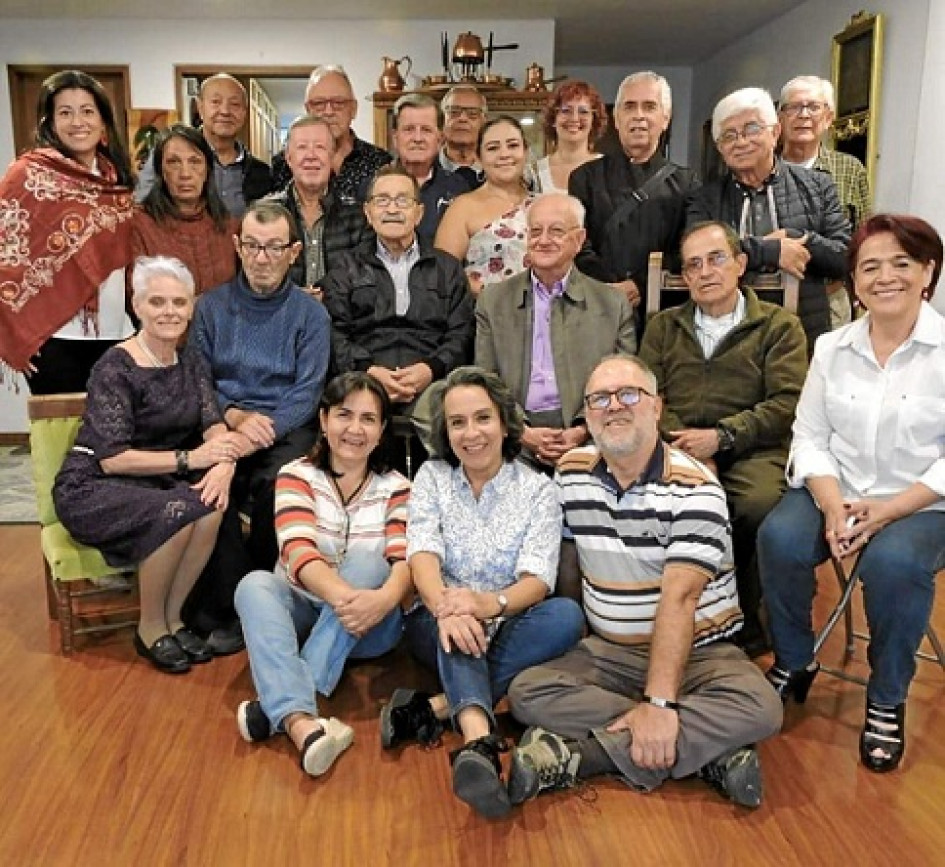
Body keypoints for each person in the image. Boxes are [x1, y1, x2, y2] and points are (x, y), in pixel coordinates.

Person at [506, 354, 783, 810]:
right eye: (599, 399)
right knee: (526, 692)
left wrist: (658, 702)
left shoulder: (696, 489)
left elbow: (681, 598)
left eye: (629, 394)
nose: (614, 406)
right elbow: (569, 560)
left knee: (761, 707)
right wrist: (578, 636)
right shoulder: (571, 473)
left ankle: (584, 756)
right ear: (586, 415)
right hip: (610, 652)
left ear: (657, 407)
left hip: (699, 653)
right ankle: (708, 755)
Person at [758, 214, 945, 774]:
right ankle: (795, 659)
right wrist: (832, 503)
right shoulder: (832, 348)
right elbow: (809, 436)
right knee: (779, 537)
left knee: (892, 563)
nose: (885, 277)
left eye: (901, 263)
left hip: (923, 503)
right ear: (854, 282)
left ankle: (886, 696)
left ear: (928, 272)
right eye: (870, 267)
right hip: (838, 490)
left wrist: (887, 511)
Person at [378, 367, 585, 818]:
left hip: (508, 619)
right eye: (457, 422)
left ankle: (436, 708)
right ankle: (478, 741)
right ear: (445, 432)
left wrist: (486, 605)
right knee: (458, 632)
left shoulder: (538, 490)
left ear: (505, 424)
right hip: (436, 620)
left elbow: (537, 580)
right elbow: (422, 553)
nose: (471, 433)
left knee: (566, 616)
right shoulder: (432, 476)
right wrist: (448, 608)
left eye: (482, 418)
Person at [53, 256, 242, 674]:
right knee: (174, 513)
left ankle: (174, 619)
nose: (169, 311)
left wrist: (224, 464)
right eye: (157, 302)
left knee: (211, 508)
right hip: (94, 483)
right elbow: (112, 458)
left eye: (179, 302)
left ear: (191, 307)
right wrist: (193, 459)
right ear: (137, 306)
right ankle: (149, 627)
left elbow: (213, 422)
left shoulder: (190, 361)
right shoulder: (115, 366)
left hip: (155, 480)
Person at [639, 221, 808, 655]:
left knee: (755, 505)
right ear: (684, 276)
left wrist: (722, 438)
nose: (705, 272)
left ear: (740, 263)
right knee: (647, 498)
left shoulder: (779, 326)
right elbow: (649, 394)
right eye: (693, 265)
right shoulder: (663, 326)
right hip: (676, 445)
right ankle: (660, 619)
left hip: (755, 447)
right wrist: (686, 446)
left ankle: (743, 624)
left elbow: (787, 403)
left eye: (715, 259)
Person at [234, 372, 411, 778]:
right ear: (324, 420)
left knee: (369, 563)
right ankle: (303, 725)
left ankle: (279, 705)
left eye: (368, 419)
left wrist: (383, 600)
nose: (355, 429)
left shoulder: (399, 487)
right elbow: (298, 553)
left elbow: (404, 562)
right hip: (304, 611)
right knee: (253, 585)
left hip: (369, 624)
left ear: (382, 429)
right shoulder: (296, 474)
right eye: (344, 415)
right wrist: (345, 598)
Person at [186, 200, 331, 654]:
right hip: (222, 422)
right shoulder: (210, 308)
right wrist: (232, 418)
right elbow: (198, 379)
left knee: (281, 485)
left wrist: (253, 435)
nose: (261, 258)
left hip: (284, 426)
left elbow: (307, 393)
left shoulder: (311, 315)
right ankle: (225, 610)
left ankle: (268, 600)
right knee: (212, 489)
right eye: (252, 246)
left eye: (273, 248)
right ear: (237, 246)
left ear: (293, 252)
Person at [475, 192, 636, 470]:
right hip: (512, 435)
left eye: (557, 231)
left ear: (579, 239)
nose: (544, 240)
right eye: (535, 231)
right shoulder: (493, 301)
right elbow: (486, 378)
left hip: (593, 435)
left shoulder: (612, 304)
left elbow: (623, 381)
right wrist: (520, 430)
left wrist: (583, 429)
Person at [0, 69, 135, 392]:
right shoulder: (27, 175)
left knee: (115, 422)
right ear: (49, 122)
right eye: (65, 112)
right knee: (61, 425)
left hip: (116, 331)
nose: (78, 122)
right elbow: (6, 253)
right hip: (54, 337)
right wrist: (15, 333)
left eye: (87, 111)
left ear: (103, 122)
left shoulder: (116, 180)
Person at [686, 86, 851, 351]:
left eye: (751, 129)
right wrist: (772, 251)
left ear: (775, 133)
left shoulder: (818, 186)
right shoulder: (705, 199)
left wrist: (799, 238)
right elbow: (694, 255)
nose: (741, 142)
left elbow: (843, 257)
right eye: (729, 135)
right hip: (728, 336)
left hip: (802, 333)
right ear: (720, 147)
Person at [322, 166, 474, 438]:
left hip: (432, 380)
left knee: (448, 409)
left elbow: (461, 333)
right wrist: (368, 371)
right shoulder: (344, 268)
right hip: (364, 378)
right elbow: (335, 334)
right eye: (382, 200)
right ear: (368, 212)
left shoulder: (447, 268)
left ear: (419, 213)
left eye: (402, 200)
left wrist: (431, 368)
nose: (392, 209)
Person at [570, 71, 699, 317]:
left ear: (665, 118)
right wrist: (611, 289)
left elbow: (689, 247)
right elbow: (577, 243)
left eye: (649, 106)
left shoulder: (687, 183)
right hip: (597, 307)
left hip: (664, 312)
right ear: (617, 119)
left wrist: (640, 284)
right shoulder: (584, 178)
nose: (638, 115)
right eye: (629, 107)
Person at [779, 74, 873, 329]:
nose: (804, 115)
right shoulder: (764, 170)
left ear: (829, 117)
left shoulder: (850, 169)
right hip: (774, 299)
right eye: (794, 107)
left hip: (832, 301)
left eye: (813, 107)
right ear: (780, 118)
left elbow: (864, 239)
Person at [135, 73, 272, 219]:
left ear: (244, 112)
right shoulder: (169, 156)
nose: (225, 111)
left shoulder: (261, 172)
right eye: (216, 102)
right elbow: (142, 209)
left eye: (235, 104)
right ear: (200, 107)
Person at [266, 116, 373, 299]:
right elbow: (255, 275)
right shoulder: (266, 213)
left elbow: (364, 280)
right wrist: (293, 298)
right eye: (302, 147)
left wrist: (326, 297)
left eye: (320, 147)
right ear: (288, 158)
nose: (311, 156)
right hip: (280, 313)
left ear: (332, 157)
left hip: (339, 315)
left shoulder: (357, 215)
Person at [130, 124, 238, 296]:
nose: (185, 174)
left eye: (195, 162)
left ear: (207, 170)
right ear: (161, 172)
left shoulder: (229, 226)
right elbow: (136, 295)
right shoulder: (139, 225)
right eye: (173, 162)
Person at [434, 116, 533, 296]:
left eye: (513, 145)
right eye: (493, 148)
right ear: (478, 157)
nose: (504, 154)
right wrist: (493, 297)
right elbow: (443, 272)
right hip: (484, 308)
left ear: (525, 151)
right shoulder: (463, 207)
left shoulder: (543, 206)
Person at [272, 65, 391, 203]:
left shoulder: (380, 162)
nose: (328, 112)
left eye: (338, 103)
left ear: (353, 109)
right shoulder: (283, 163)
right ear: (308, 110)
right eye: (319, 103)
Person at [391, 93, 469, 245]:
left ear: (440, 139)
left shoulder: (459, 188)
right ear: (395, 137)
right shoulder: (372, 187)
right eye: (409, 129)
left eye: (426, 130)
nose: (417, 138)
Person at [533, 80, 606, 194]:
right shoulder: (535, 173)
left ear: (594, 120)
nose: (574, 118)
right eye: (566, 111)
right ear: (553, 119)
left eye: (583, 111)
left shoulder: (608, 169)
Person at [439, 85, 488, 189]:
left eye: (472, 113)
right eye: (454, 112)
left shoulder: (497, 169)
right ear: (441, 120)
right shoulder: (425, 169)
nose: (463, 118)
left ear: (484, 121)